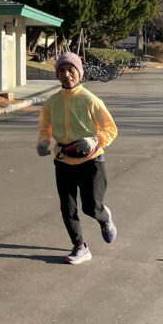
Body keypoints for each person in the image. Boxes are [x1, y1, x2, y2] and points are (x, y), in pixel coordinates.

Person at [37, 52, 118, 265]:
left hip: (91, 161)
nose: (66, 75)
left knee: (90, 207)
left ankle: (104, 217)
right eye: (62, 70)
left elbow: (110, 128)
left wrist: (95, 140)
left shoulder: (90, 100)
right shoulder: (52, 102)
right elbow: (45, 128)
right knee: (67, 207)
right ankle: (80, 246)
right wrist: (43, 142)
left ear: (79, 73)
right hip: (63, 160)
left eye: (71, 70)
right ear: (57, 75)